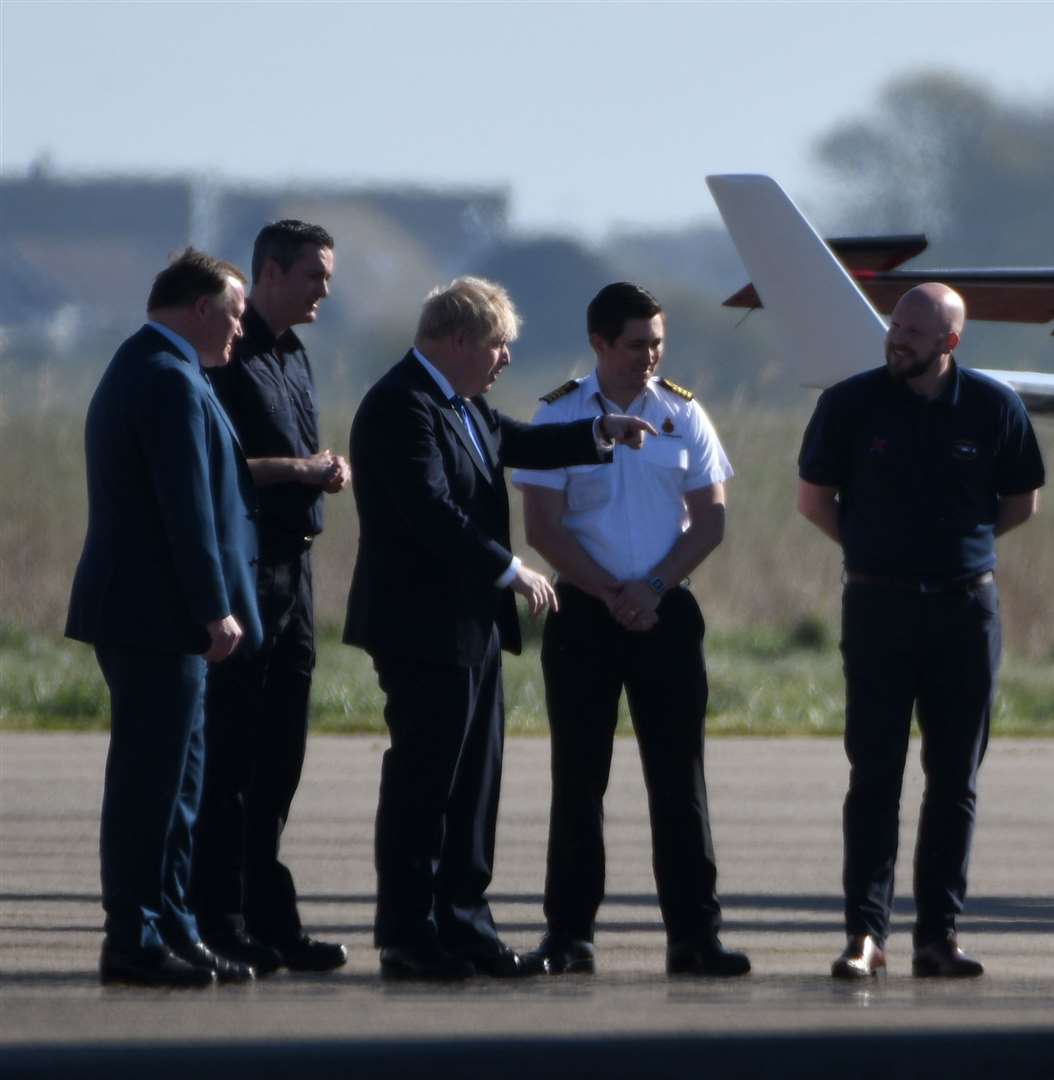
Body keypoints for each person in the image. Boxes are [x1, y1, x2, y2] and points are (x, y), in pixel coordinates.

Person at [343, 276, 653, 981]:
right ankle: (409, 934)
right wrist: (509, 569)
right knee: (424, 785)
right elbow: (427, 508)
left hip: (471, 628)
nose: (507, 357)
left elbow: (515, 441)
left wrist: (599, 431)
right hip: (421, 628)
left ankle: (463, 922)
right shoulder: (402, 406)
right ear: (457, 341)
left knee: (474, 783)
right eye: (498, 344)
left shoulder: (462, 403)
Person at [796, 282, 1044, 979]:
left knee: (954, 778)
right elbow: (814, 501)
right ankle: (864, 935)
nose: (896, 340)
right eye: (894, 326)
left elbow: (1021, 500)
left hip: (965, 612)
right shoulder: (850, 404)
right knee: (874, 773)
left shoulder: (993, 407)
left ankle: (937, 936)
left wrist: (958, 549)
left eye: (913, 332)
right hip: (879, 607)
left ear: (949, 343)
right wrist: (876, 552)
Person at [514, 282, 749, 977]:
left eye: (657, 344)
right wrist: (608, 591)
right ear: (600, 344)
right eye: (636, 344)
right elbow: (542, 527)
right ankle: (569, 936)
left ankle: (694, 936)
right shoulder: (558, 414)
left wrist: (649, 589)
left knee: (679, 780)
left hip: (665, 609)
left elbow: (709, 518)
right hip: (584, 611)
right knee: (579, 779)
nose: (649, 356)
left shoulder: (682, 412)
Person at [66, 248, 264, 987]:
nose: (240, 331)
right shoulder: (165, 377)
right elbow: (186, 512)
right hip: (155, 617)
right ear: (204, 309)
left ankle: (171, 925)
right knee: (152, 787)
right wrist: (214, 608)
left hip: (154, 615)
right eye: (236, 315)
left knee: (180, 784)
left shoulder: (159, 368)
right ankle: (134, 939)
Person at [191, 220, 349, 974]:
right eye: (316, 274)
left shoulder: (291, 354)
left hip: (298, 571)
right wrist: (298, 470)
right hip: (251, 570)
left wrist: (319, 471)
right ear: (272, 273)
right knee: (234, 754)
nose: (326, 288)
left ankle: (268, 917)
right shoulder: (228, 354)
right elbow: (217, 467)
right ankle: (218, 921)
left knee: (280, 754)